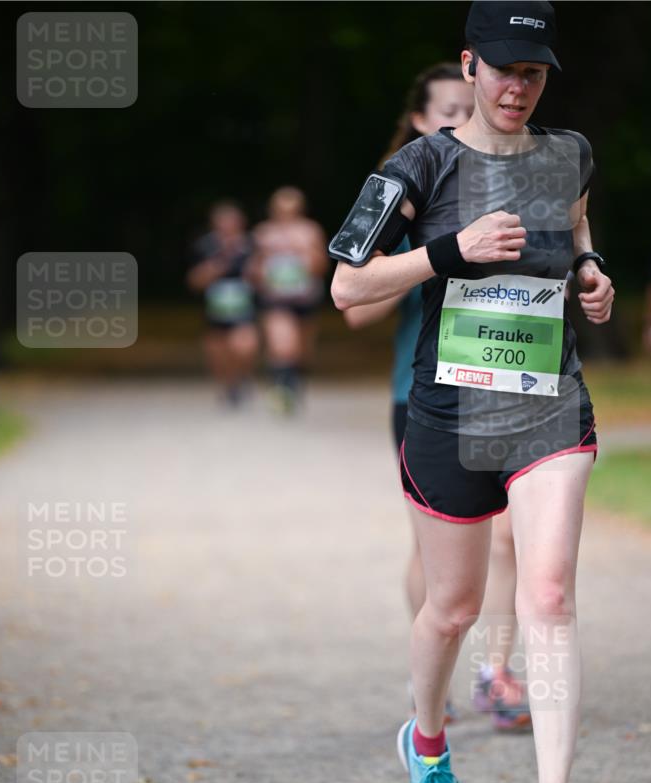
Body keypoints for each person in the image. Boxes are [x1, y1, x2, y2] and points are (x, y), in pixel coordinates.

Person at [331, 1, 614, 783]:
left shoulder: (569, 153)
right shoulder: (418, 164)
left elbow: (574, 227)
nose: (516, 87)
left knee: (548, 595)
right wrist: (449, 249)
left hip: (547, 406)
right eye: (501, 69)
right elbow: (346, 288)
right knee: (452, 610)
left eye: (532, 72)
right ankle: (426, 744)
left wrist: (588, 271)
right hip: (448, 416)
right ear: (468, 66)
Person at [343, 64, 530, 730]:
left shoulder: (519, 177)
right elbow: (353, 304)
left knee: (506, 539)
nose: (461, 121)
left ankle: (495, 673)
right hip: (424, 395)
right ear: (421, 122)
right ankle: (433, 674)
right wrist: (444, 251)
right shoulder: (408, 186)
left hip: (508, 385)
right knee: (437, 551)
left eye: (465, 108)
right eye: (446, 112)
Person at [250, 187, 328, 413]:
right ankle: (281, 390)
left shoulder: (310, 231)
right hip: (276, 298)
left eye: (292, 209)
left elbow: (322, 266)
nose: (286, 214)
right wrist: (263, 267)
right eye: (281, 209)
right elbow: (252, 269)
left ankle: (294, 384)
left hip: (305, 298)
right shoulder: (263, 233)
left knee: (302, 351)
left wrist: (303, 251)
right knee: (283, 345)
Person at [186, 201, 259, 405]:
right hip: (214, 311)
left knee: (245, 346)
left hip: (244, 309)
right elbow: (193, 281)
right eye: (222, 222)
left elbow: (263, 275)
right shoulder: (204, 246)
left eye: (232, 222)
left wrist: (255, 274)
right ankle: (229, 386)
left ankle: (243, 377)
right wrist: (214, 268)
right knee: (219, 354)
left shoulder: (251, 245)